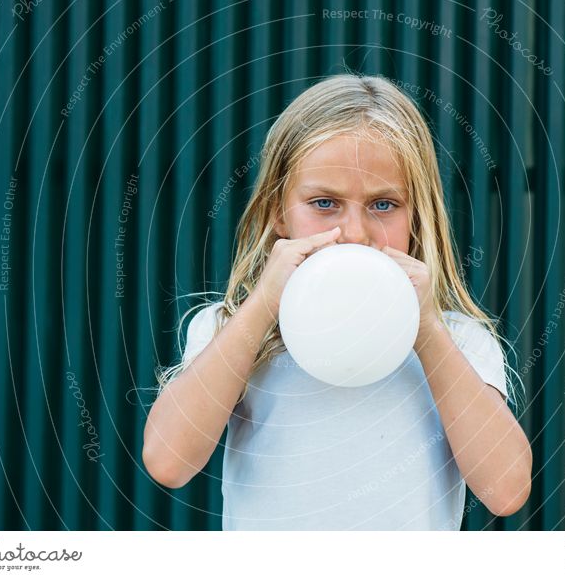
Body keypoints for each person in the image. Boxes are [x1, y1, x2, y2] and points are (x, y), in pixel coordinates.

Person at [143, 73, 532, 530]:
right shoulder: (231, 326)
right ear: (278, 211)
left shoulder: (457, 339)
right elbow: (168, 463)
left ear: (418, 215)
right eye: (325, 203)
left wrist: (426, 329)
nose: (355, 233)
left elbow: (506, 491)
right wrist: (263, 305)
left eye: (383, 205)